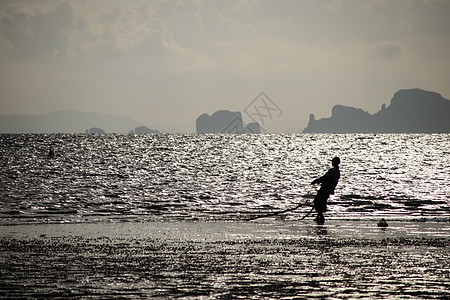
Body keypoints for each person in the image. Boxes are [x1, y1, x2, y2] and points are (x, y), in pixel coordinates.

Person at [311, 157, 340, 224]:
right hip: (329, 189)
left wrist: (316, 181)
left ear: (334, 162)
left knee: (318, 200)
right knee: (322, 201)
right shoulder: (337, 172)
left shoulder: (332, 171)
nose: (331, 162)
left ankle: (320, 216)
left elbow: (325, 177)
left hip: (325, 188)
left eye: (332, 161)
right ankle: (320, 216)